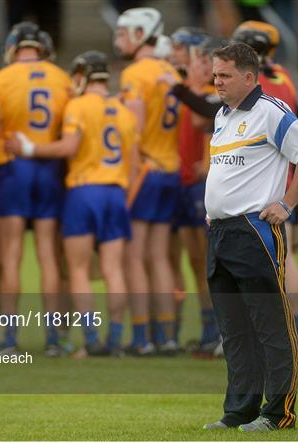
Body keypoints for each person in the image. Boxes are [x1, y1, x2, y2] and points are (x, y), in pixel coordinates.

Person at [203, 43, 298, 432]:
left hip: (254, 230)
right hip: (220, 233)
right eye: (215, 74)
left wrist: (286, 204)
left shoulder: (271, 112)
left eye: (224, 75)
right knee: (234, 329)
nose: (216, 81)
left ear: (249, 77)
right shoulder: (223, 115)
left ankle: (278, 413)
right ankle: (240, 410)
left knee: (270, 324)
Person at [6, 50, 138, 356]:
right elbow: (133, 165)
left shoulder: (78, 106)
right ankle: (115, 340)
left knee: (78, 271)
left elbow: (69, 146)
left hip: (83, 190)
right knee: (113, 270)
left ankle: (91, 339)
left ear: (82, 75)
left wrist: (30, 148)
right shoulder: (125, 112)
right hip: (115, 191)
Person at [0, 22, 72, 354]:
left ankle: (9, 338)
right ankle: (53, 338)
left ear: (13, 47)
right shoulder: (60, 78)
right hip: (49, 167)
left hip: (12, 170)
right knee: (49, 256)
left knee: (10, 257)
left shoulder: (0, 80)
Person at [232, 22, 298, 355]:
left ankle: (257, 335)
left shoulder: (251, 87)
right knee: (286, 260)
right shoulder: (285, 81)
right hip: (283, 184)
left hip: (256, 184)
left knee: (252, 264)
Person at [114, 7, 181, 355]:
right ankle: (167, 335)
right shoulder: (170, 70)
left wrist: (132, 167)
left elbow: (134, 127)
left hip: (146, 171)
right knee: (159, 257)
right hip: (170, 169)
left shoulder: (136, 73)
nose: (118, 40)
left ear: (141, 34)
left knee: (134, 257)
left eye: (124, 33)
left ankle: (141, 338)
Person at [165, 28, 223, 357]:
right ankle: (201, 332)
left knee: (207, 264)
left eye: (204, 60)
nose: (201, 66)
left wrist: (208, 162)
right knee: (192, 261)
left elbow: (207, 123)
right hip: (182, 182)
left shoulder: (212, 96)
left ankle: (217, 333)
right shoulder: (184, 89)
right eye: (198, 59)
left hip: (200, 185)